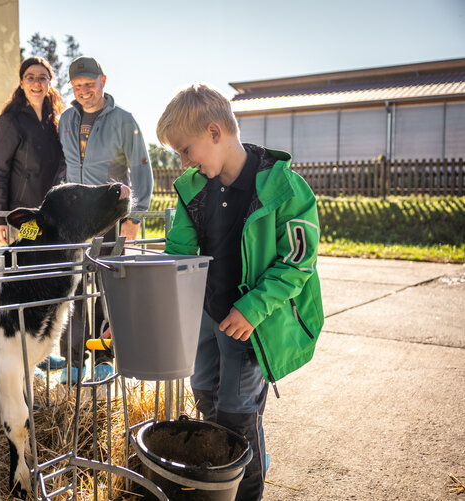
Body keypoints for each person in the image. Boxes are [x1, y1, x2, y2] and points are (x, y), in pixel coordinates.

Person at [157, 84, 324, 501]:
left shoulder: (285, 188)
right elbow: (178, 253)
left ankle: (246, 486)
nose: (184, 162)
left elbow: (297, 262)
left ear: (215, 132)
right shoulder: (194, 188)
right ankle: (226, 479)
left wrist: (252, 308)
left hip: (251, 324)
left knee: (237, 421)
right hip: (208, 317)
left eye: (186, 150)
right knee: (208, 403)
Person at [57, 56, 153, 383]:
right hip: (75, 220)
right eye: (78, 86)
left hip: (110, 217)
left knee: (105, 288)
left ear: (103, 81)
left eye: (90, 84)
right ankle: (72, 361)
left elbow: (141, 169)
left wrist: (134, 217)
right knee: (72, 287)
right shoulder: (66, 119)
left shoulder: (124, 120)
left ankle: (104, 358)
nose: (84, 91)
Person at [0, 56, 66, 247]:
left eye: (42, 77)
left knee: (52, 268)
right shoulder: (11, 122)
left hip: (53, 215)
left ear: (50, 82)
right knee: (28, 265)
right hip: (25, 217)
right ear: (21, 83)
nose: (36, 83)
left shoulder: (56, 123)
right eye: (30, 77)